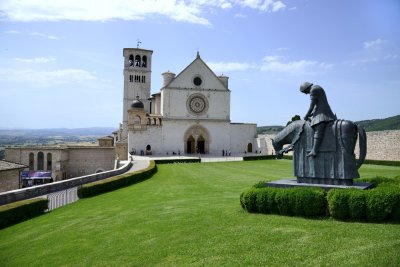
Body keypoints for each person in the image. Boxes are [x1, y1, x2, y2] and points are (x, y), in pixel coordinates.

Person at [300, 82, 337, 157]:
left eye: (304, 92)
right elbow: (318, 104)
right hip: (320, 110)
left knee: (318, 126)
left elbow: (311, 106)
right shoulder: (316, 87)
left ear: (306, 88)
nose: (306, 94)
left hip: (323, 112)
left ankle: (314, 150)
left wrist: (306, 116)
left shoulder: (313, 90)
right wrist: (312, 113)